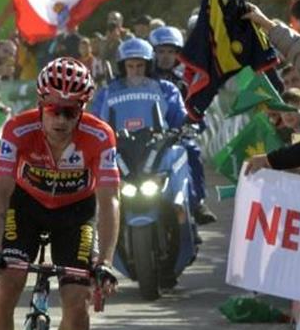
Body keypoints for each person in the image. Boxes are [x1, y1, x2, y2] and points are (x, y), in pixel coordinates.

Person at [0, 57, 120, 330]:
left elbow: (109, 200)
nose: (61, 120)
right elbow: (1, 193)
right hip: (25, 208)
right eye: (54, 110)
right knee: (7, 285)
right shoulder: (18, 129)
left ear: (82, 110)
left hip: (75, 214)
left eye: (70, 112)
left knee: (76, 301)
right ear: (41, 104)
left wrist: (105, 260)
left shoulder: (100, 135)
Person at [90, 38, 216, 224]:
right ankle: (92, 224)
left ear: (149, 66)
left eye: (140, 66)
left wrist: (186, 125)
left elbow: (178, 116)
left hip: (157, 145)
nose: (135, 71)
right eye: (130, 66)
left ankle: (191, 206)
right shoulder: (107, 92)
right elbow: (96, 121)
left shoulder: (166, 89)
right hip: (120, 148)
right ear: (122, 67)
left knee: (185, 150)